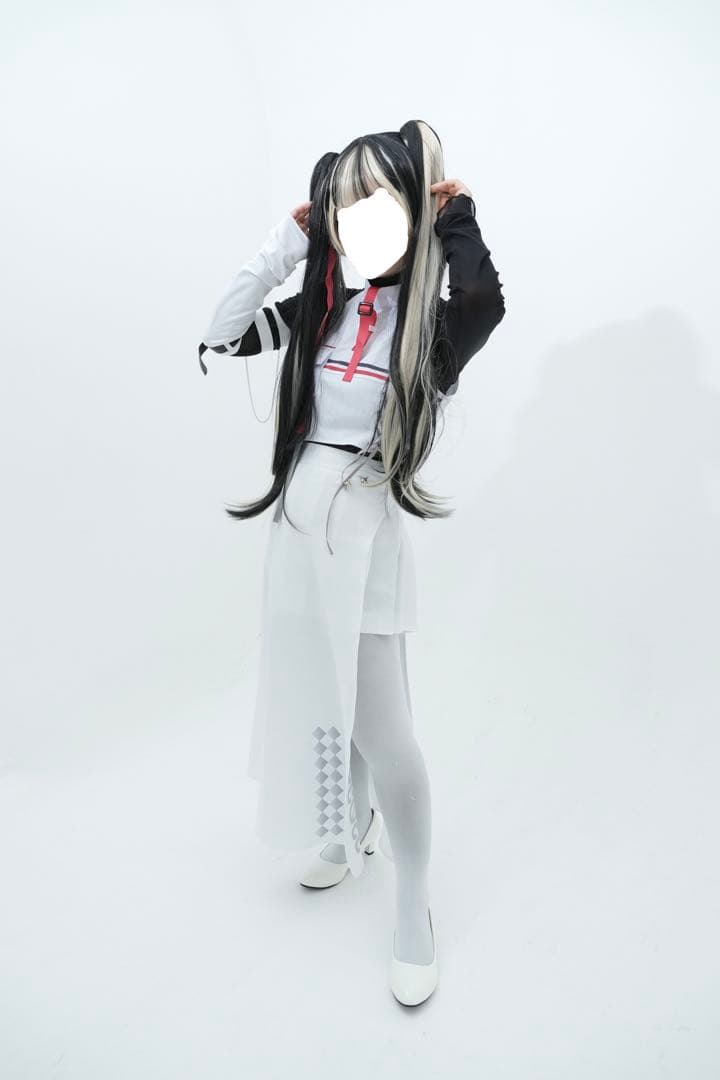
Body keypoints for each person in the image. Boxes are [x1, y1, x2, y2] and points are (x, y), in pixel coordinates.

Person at [198, 119, 506, 1006]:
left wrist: (457, 219)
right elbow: (222, 333)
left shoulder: (427, 331)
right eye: (346, 205)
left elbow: (483, 301)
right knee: (316, 695)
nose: (360, 221)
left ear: (410, 210)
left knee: (383, 727)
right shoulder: (324, 309)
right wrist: (287, 242)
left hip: (365, 534)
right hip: (298, 531)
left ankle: (413, 902)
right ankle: (346, 827)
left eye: (379, 202)